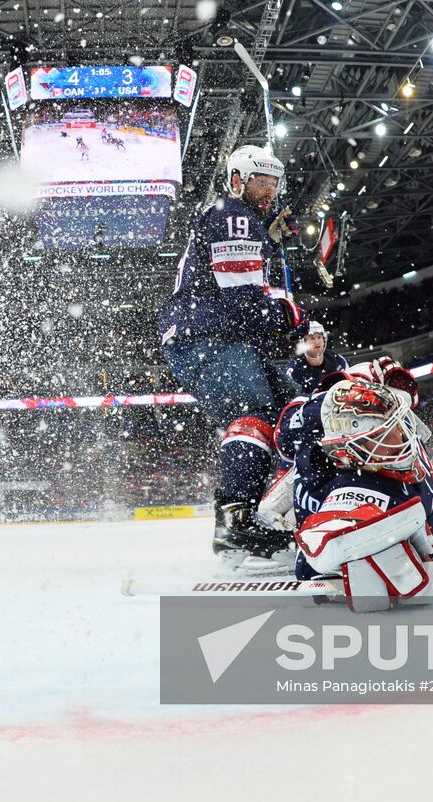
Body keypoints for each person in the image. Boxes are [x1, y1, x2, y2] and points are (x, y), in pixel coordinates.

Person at [158, 144, 309, 568]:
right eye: (262, 181)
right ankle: (236, 525)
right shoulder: (233, 214)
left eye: (276, 183)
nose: (271, 191)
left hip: (216, 337)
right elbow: (244, 302)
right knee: (256, 411)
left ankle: (275, 507)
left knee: (293, 410)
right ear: (238, 180)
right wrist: (288, 311)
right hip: (207, 338)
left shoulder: (240, 219)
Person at [280, 377, 433, 613]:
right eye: (387, 435)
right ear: (354, 449)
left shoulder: (392, 462)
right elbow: (310, 564)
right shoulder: (346, 480)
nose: (403, 438)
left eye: (399, 427)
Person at [286, 321, 349, 393]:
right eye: (312, 338)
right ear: (303, 342)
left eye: (319, 337)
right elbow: (292, 399)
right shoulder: (293, 369)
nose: (317, 342)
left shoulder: (338, 360)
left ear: (324, 340)